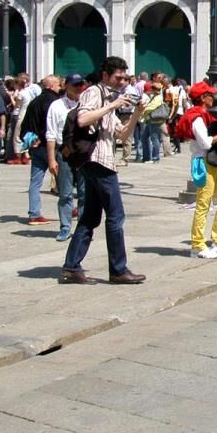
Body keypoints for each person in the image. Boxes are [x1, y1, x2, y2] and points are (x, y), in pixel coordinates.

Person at [59, 56, 147, 285]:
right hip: (97, 161)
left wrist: (137, 113)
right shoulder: (94, 93)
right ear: (105, 75)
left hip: (103, 160)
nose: (122, 82)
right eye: (118, 77)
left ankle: (71, 266)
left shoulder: (111, 98)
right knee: (116, 216)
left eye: (125, 78)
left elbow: (121, 135)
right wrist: (112, 105)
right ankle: (118, 269)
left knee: (90, 217)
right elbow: (82, 119)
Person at [186, 81, 217, 258]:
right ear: (202, 98)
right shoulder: (197, 118)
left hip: (211, 163)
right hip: (203, 162)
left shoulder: (203, 115)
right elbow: (206, 143)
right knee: (203, 204)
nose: (213, 97)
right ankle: (197, 245)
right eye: (210, 94)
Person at [46, 74, 85, 242]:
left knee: (84, 193)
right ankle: (65, 227)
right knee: (65, 193)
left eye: (80, 85)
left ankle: (83, 228)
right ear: (66, 85)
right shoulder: (56, 106)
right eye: (75, 84)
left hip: (84, 152)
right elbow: (51, 134)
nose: (78, 88)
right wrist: (51, 159)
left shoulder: (86, 103)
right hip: (65, 152)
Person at [20, 74, 61, 225]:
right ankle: (68, 208)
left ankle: (34, 213)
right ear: (51, 86)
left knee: (35, 182)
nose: (60, 87)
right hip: (50, 147)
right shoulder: (55, 102)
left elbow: (24, 126)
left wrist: (31, 140)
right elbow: (52, 126)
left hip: (36, 148)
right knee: (62, 179)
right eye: (58, 85)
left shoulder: (34, 102)